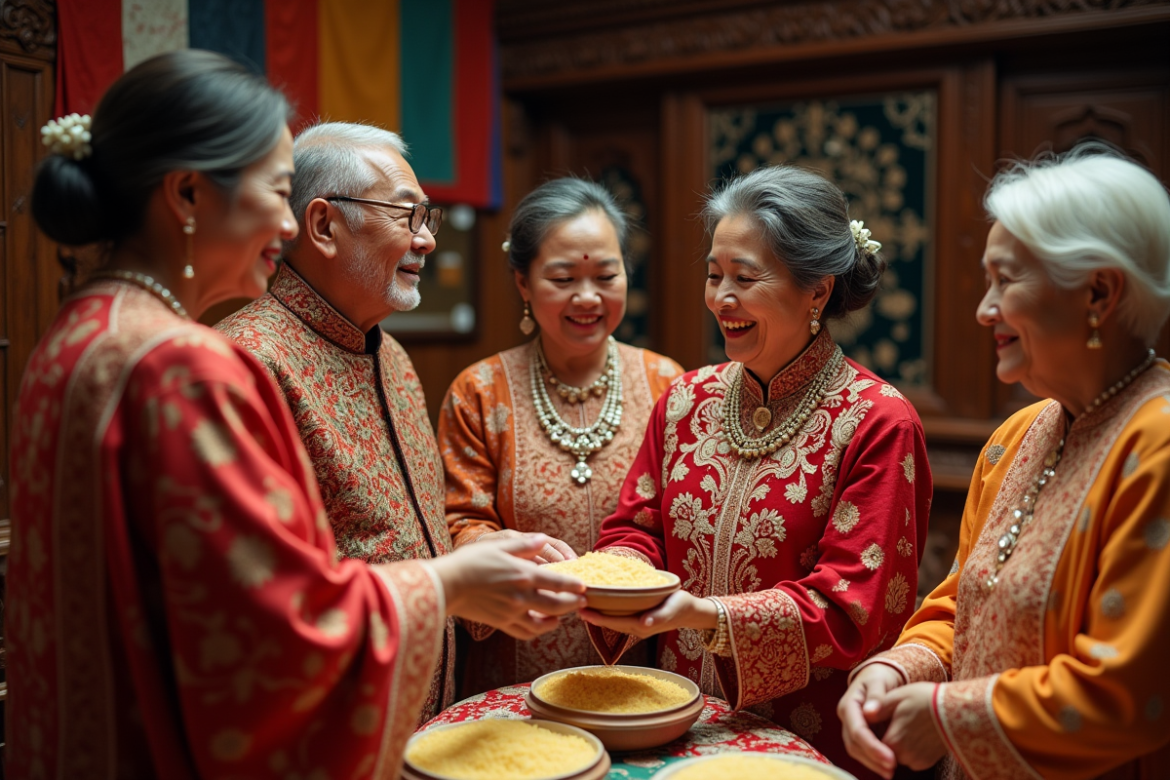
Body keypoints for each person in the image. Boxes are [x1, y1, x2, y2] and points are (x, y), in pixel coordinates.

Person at [6, 50, 585, 779]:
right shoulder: (189, 363)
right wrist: (450, 585)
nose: (283, 226)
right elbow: (274, 630)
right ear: (188, 195)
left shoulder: (82, 332)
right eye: (276, 193)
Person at [580, 165, 932, 777]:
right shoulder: (686, 400)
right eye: (714, 275)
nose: (721, 298)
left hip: (807, 742)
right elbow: (635, 528)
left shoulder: (878, 421)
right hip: (674, 726)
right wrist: (622, 578)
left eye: (745, 278)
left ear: (817, 290)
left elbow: (851, 607)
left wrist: (705, 617)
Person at [839, 146, 1170, 780]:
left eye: (1007, 280)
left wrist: (946, 715)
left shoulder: (1155, 445)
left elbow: (1128, 694)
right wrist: (895, 670)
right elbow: (960, 606)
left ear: (1098, 291)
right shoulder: (1018, 435)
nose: (984, 309)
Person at [216, 121, 460, 720]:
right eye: (407, 216)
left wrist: (464, 553)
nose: (425, 240)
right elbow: (257, 594)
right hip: (324, 726)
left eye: (428, 218)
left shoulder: (393, 356)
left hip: (423, 721)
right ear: (323, 225)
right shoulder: (247, 363)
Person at [438, 177, 683, 694]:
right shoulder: (479, 392)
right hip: (515, 665)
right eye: (564, 277)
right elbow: (460, 520)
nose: (587, 297)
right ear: (523, 283)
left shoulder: (668, 384)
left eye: (606, 275)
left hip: (643, 667)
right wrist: (500, 551)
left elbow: (683, 524)